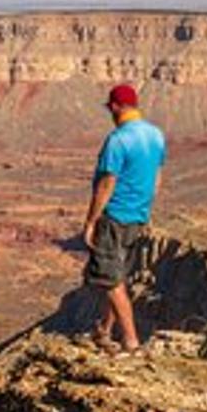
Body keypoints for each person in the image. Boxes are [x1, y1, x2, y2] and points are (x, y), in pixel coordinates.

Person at [83, 82, 167, 352]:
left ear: (116, 107)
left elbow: (107, 183)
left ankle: (131, 341)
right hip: (138, 216)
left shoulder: (118, 140)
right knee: (118, 276)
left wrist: (91, 221)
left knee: (110, 280)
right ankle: (105, 331)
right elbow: (157, 178)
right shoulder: (156, 135)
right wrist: (145, 208)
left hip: (114, 216)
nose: (110, 112)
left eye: (111, 108)